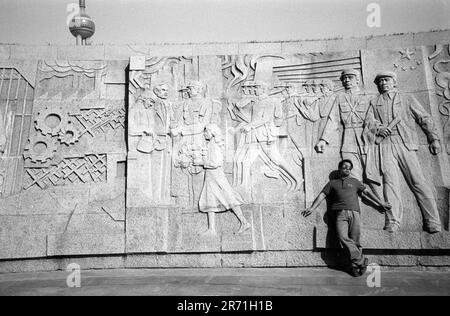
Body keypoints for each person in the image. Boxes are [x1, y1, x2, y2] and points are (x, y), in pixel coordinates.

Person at [364, 71, 442, 233]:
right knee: (390, 183)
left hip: (404, 142)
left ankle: (433, 220)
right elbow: (369, 123)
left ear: (394, 82)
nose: (383, 83)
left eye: (386, 80)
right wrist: (379, 129)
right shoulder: (374, 101)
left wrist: (433, 138)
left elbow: (424, 118)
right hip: (385, 145)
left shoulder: (406, 98)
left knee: (418, 181)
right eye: (380, 81)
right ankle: (393, 221)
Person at [302, 159, 391, 277]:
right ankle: (361, 260)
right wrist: (312, 208)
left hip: (355, 213)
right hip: (340, 214)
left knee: (355, 240)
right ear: (340, 169)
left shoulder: (355, 182)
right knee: (342, 237)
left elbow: (367, 193)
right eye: (345, 167)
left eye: (349, 167)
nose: (347, 169)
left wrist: (381, 203)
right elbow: (322, 195)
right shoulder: (332, 183)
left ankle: (354, 265)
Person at [315, 69, 371, 182]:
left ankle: (378, 199)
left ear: (357, 80)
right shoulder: (339, 97)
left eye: (350, 77)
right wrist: (323, 139)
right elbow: (333, 120)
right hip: (348, 138)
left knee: (371, 175)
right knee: (352, 177)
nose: (346, 80)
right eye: (344, 78)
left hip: (366, 137)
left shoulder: (367, 96)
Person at [197, 124, 251, 236]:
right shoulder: (210, 144)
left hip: (216, 177)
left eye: (206, 131)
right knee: (209, 199)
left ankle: (244, 222)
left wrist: (202, 162)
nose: (204, 134)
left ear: (213, 133)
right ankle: (211, 229)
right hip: (211, 177)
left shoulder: (214, 146)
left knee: (229, 197)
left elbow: (216, 163)